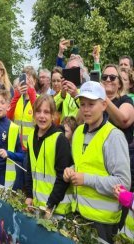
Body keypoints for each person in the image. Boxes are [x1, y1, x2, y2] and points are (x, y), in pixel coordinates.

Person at [63, 81, 131, 243]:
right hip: (79, 215)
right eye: (82, 104)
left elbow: (123, 184)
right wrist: (71, 170)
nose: (86, 109)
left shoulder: (114, 136)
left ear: (103, 105)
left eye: (91, 104)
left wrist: (86, 179)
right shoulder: (78, 132)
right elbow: (83, 164)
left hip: (103, 223)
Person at [25, 95, 73, 217]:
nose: (42, 116)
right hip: (37, 206)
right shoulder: (31, 137)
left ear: (53, 116)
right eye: (38, 111)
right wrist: (29, 195)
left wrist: (51, 204)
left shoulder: (60, 140)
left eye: (46, 112)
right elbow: (29, 170)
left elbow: (63, 177)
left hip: (56, 210)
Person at [7, 65, 38, 151]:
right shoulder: (17, 98)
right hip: (16, 146)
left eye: (29, 77)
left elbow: (37, 115)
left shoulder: (39, 99)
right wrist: (16, 95)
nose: (26, 81)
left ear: (34, 81)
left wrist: (31, 91)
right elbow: (8, 117)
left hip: (31, 146)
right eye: (25, 77)